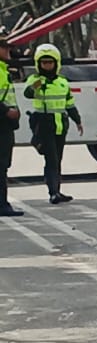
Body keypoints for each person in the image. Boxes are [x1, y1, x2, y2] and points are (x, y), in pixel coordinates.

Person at [23, 43, 83, 205]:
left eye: (50, 62)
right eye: (44, 63)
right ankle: (53, 192)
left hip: (60, 124)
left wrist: (77, 120)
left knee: (58, 158)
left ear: (56, 63)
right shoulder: (34, 79)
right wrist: (37, 84)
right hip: (43, 123)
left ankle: (57, 190)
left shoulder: (62, 82)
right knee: (51, 159)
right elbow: (27, 93)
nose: (47, 65)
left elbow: (69, 104)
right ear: (38, 64)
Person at [0, 34, 23, 217]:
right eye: (4, 47)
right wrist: (6, 111)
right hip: (1, 124)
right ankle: (2, 204)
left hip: (5, 125)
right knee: (1, 166)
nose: (9, 50)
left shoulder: (3, 69)